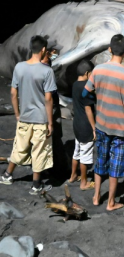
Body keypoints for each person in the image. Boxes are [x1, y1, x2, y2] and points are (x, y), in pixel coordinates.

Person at [83, 34, 124, 211]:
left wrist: (99, 98)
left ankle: (96, 196)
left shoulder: (98, 69)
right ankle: (111, 202)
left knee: (101, 161)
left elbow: (85, 93)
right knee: (115, 165)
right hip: (120, 127)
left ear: (109, 49)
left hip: (102, 124)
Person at [0, 35, 56, 195]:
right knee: (39, 151)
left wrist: (17, 113)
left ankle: (7, 175)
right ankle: (36, 185)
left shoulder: (19, 67)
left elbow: (12, 93)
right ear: (44, 49)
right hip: (40, 118)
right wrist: (50, 122)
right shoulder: (47, 71)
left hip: (24, 116)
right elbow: (48, 99)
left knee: (19, 147)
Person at [69, 59, 96, 190]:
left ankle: (73, 175)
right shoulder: (86, 87)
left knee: (77, 152)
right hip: (86, 126)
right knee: (85, 155)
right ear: (87, 73)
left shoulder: (75, 84)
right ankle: (84, 182)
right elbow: (88, 109)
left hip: (77, 124)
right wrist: (94, 128)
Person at [41, 47, 66, 181]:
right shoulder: (47, 72)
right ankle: (56, 169)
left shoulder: (42, 70)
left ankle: (51, 168)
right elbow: (49, 98)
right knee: (53, 139)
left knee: (49, 141)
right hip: (49, 109)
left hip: (46, 109)